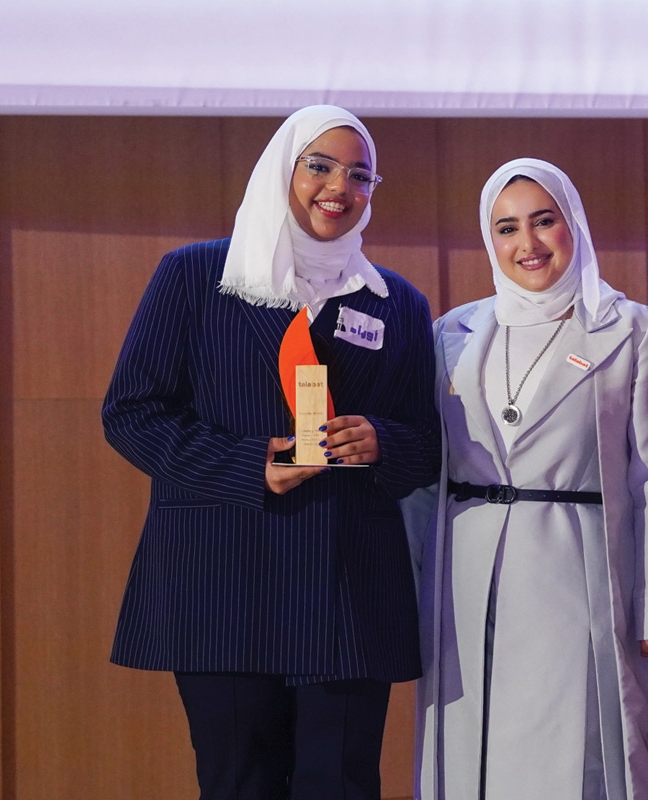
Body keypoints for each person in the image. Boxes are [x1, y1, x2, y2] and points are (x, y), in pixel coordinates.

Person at [102, 105, 441, 799]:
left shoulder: (397, 303)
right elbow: (131, 413)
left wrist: (383, 443)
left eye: (361, 175)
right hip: (224, 583)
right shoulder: (196, 276)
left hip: (348, 591)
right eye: (319, 166)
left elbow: (427, 446)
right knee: (238, 782)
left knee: (341, 783)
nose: (339, 187)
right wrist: (246, 465)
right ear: (281, 171)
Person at [409, 158, 648, 800]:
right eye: (507, 228)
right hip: (464, 577)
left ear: (574, 225)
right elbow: (424, 476)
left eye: (544, 221)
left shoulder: (632, 328)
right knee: (472, 747)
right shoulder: (451, 334)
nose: (528, 243)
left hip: (576, 568)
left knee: (573, 751)